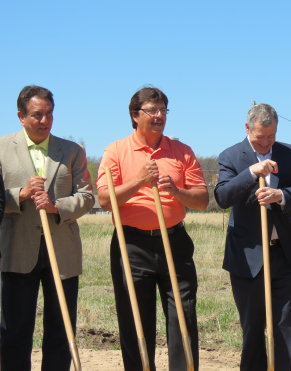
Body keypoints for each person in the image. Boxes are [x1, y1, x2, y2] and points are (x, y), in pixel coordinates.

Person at [96, 87, 208, 371]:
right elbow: (105, 200)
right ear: (135, 115)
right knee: (135, 319)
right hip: (131, 244)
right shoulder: (116, 151)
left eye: (163, 111)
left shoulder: (181, 152)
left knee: (183, 314)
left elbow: (203, 200)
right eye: (152, 111)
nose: (159, 116)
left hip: (175, 241)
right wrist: (138, 181)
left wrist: (178, 191)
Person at [0, 85, 94, 370]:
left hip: (62, 254)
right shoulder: (2, 149)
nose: (44, 121)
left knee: (61, 331)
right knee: (15, 332)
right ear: (20, 116)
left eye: (49, 114)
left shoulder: (72, 151)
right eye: (37, 115)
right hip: (16, 251)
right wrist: (21, 194)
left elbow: (88, 196)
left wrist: (57, 207)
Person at [214, 103, 291, 371]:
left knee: (283, 328)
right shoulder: (231, 156)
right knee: (253, 331)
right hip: (247, 258)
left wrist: (281, 196)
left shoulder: (290, 154)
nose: (267, 143)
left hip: (284, 254)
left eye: (272, 136)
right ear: (247, 129)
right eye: (260, 137)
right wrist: (251, 174)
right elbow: (222, 197)